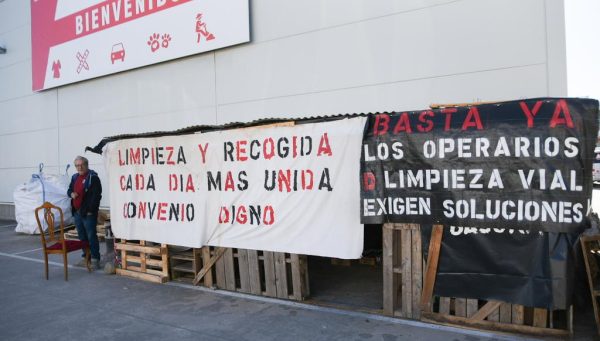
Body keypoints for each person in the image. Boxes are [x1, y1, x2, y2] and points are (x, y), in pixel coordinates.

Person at [67, 156, 102, 269]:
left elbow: (96, 196)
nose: (80, 167)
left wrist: (91, 211)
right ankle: (86, 257)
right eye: (77, 165)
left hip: (88, 214)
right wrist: (71, 194)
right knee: (82, 236)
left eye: (82, 164)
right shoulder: (74, 177)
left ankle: (95, 259)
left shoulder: (93, 177)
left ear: (86, 165)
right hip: (77, 213)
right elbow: (69, 190)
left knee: (91, 236)